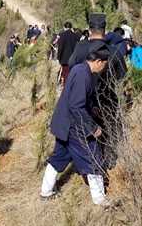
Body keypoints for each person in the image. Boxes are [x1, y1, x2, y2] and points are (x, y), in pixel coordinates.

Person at [40, 42, 111, 206]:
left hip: (65, 122)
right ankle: (100, 200)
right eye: (105, 64)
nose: (104, 68)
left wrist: (94, 110)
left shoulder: (80, 69)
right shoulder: (82, 75)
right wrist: (92, 128)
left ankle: (46, 191)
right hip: (73, 126)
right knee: (93, 156)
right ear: (98, 61)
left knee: (59, 156)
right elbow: (76, 106)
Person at [68, 13, 127, 169]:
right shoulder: (114, 50)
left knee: (87, 131)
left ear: (89, 28)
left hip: (85, 99)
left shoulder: (81, 48)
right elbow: (122, 76)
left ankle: (91, 164)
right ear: (104, 29)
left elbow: (71, 65)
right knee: (108, 130)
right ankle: (109, 163)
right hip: (108, 99)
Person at [57, 22, 79, 86]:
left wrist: (59, 57)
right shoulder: (75, 35)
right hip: (73, 58)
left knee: (65, 74)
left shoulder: (62, 35)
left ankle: (66, 88)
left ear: (64, 27)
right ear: (71, 27)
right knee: (72, 73)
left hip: (64, 58)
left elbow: (60, 47)